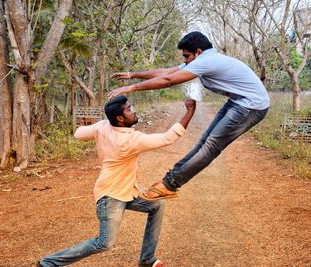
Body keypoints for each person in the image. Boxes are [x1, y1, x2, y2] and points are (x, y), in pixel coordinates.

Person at [108, 31, 270, 201]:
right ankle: (170, 180)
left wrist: (131, 88)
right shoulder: (201, 59)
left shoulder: (206, 61)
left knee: (211, 146)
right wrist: (132, 75)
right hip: (239, 101)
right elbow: (166, 73)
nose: (184, 61)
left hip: (252, 106)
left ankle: (170, 184)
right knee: (204, 142)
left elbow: (169, 80)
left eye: (186, 56)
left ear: (198, 52)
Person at [37, 96, 196, 267]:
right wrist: (190, 111)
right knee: (104, 243)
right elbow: (168, 138)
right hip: (111, 195)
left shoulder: (103, 126)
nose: (133, 110)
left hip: (127, 191)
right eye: (129, 109)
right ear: (119, 118)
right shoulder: (131, 140)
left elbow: (78, 133)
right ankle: (47, 263)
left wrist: (95, 127)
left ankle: (147, 259)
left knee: (156, 205)